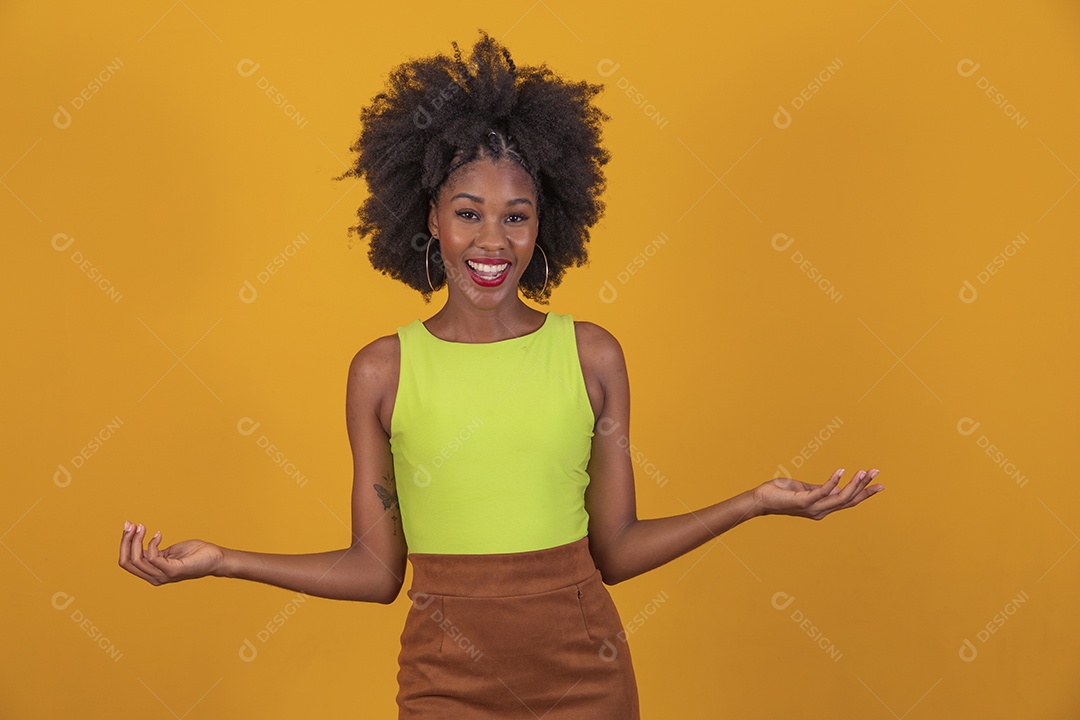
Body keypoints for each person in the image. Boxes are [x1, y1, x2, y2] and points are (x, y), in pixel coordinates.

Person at [118, 30, 884, 719]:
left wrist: (755, 502)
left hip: (587, 677)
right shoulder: (381, 373)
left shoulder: (591, 356)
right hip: (444, 683)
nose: (493, 239)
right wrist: (223, 561)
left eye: (516, 215)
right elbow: (376, 570)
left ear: (543, 223)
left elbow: (614, 550)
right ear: (430, 219)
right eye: (468, 212)